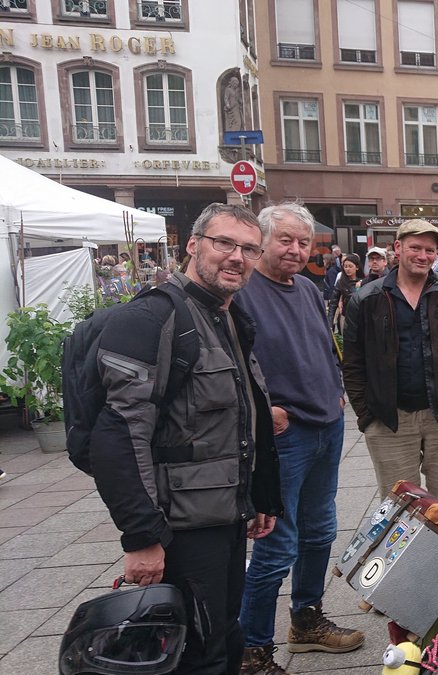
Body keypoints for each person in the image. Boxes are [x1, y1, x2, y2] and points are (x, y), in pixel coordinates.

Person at [91, 203, 282, 673]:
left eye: (249, 249)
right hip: (180, 527)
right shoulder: (152, 319)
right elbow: (119, 433)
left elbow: (239, 421)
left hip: (224, 514)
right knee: (195, 653)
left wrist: (260, 495)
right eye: (224, 244)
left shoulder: (226, 317)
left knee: (221, 634)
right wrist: (141, 535)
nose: (237, 257)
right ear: (193, 245)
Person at [237, 203, 363, 673]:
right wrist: (259, 410)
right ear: (264, 240)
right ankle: (252, 649)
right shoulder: (244, 290)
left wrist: (335, 389)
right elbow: (229, 360)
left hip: (326, 427)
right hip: (283, 437)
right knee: (276, 545)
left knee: (320, 532)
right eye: (285, 240)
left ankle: (306, 620)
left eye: (303, 242)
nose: (295, 249)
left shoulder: (309, 289)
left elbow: (323, 343)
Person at [342, 219, 438, 507]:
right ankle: (406, 555)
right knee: (398, 510)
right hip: (389, 420)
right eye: (415, 248)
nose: (423, 256)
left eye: (430, 250)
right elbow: (354, 362)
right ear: (398, 248)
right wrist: (367, 415)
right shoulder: (368, 298)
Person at [331, 253, 361, 331]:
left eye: (350, 266)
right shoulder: (340, 283)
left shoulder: (362, 282)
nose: (347, 269)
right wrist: (329, 323)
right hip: (345, 318)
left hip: (360, 318)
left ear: (357, 267)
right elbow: (333, 303)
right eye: (345, 266)